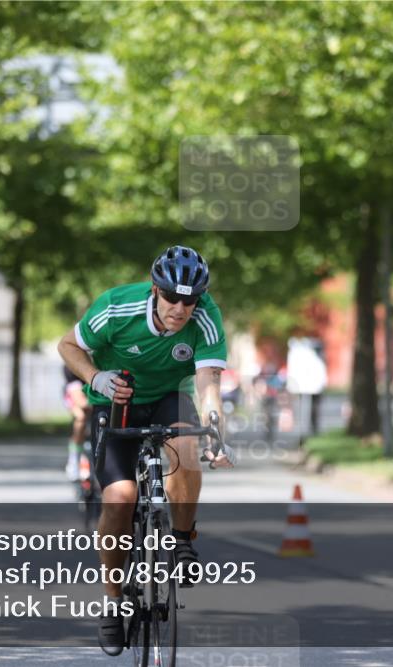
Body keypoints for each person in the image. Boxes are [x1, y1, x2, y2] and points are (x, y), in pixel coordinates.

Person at [57, 245, 234, 656]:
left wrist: (216, 431)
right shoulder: (116, 307)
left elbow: (208, 381)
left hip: (170, 396)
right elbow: (68, 345)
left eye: (189, 300)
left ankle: (183, 540)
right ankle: (113, 599)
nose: (180, 308)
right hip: (114, 398)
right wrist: (94, 377)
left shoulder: (206, 316)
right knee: (120, 497)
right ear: (155, 289)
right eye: (172, 297)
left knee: (188, 444)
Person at [62, 365, 92, 480]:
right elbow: (81, 401)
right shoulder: (70, 367)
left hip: (94, 392)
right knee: (81, 417)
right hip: (76, 394)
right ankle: (74, 459)